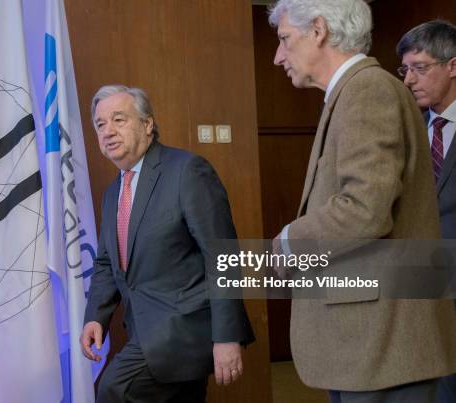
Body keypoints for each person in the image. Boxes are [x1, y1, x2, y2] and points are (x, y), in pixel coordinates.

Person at [268, 0, 456, 402]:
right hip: (366, 345)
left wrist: (288, 240)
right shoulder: (352, 92)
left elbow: (365, 209)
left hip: (382, 344)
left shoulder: (368, 90)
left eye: (285, 39)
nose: (278, 55)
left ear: (318, 31)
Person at [79, 85, 253, 403]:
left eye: (119, 119)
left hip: (184, 329)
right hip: (145, 331)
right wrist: (95, 316)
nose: (108, 131)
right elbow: (106, 262)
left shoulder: (187, 171)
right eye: (100, 125)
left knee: (113, 391)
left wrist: (228, 336)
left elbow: (222, 256)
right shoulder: (111, 193)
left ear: (148, 125)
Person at [397, 19, 456, 403]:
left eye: (420, 68)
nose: (408, 81)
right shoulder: (406, 127)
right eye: (405, 70)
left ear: (453, 65)